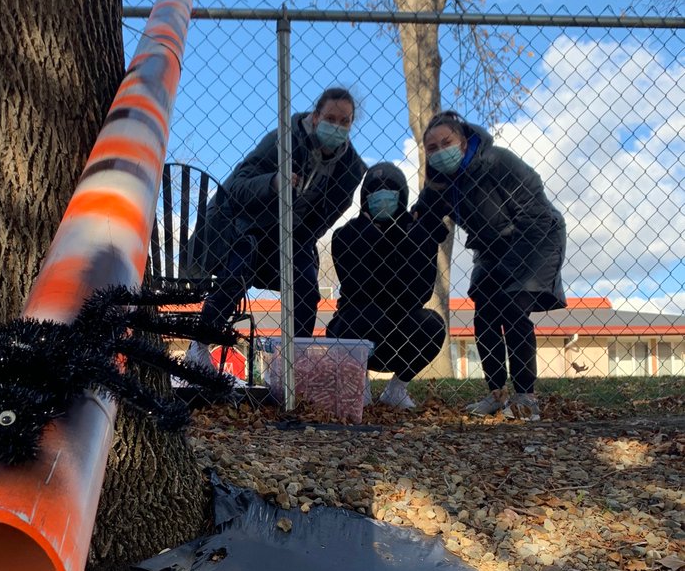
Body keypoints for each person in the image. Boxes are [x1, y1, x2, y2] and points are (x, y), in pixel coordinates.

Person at [184, 88, 366, 367]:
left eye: (345, 122)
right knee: (239, 265)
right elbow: (235, 187)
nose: (337, 127)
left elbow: (325, 218)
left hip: (292, 234)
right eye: (330, 118)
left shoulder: (350, 169)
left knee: (306, 285)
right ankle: (199, 345)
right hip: (247, 224)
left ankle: (293, 362)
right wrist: (273, 182)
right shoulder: (283, 141)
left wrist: (299, 243)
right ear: (316, 117)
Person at [415, 110, 566, 421]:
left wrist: (511, 269)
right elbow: (424, 216)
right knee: (484, 316)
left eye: (447, 142)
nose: (441, 151)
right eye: (432, 148)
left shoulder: (496, 161)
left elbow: (534, 211)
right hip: (490, 247)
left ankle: (526, 396)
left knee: (512, 309)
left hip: (535, 235)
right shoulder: (440, 182)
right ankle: (496, 394)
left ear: (463, 139)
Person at [326, 162, 446, 409]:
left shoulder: (418, 234)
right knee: (366, 314)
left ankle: (396, 389)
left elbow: (419, 292)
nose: (382, 196)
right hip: (356, 329)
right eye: (375, 189)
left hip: (400, 328)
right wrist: (372, 236)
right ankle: (360, 386)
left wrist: (403, 242)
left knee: (432, 324)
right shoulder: (346, 235)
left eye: (390, 189)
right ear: (364, 197)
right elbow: (358, 287)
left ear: (401, 195)